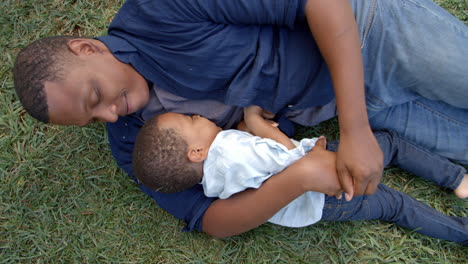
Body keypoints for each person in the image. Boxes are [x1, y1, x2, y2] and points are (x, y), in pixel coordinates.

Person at [12, 0, 468, 238]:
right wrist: (299, 178)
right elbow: (212, 220)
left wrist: (354, 130)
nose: (111, 113)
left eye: (96, 95)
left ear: (87, 48)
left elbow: (323, 4)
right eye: (93, 119)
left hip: (372, 33)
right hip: (355, 105)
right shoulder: (134, 140)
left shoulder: (162, 12)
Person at [131, 106, 467, 244]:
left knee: (391, 196)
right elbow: (285, 159)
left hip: (313, 200)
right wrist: (261, 125)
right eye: (191, 120)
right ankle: (456, 184)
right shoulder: (229, 152)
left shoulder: (213, 176)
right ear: (196, 152)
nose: (198, 116)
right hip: (321, 185)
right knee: (392, 186)